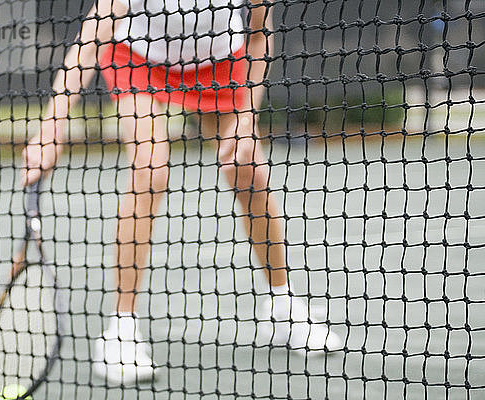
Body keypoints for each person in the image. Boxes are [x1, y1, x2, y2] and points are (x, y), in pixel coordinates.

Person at [22, 0, 342, 385]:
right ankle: (120, 330)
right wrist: (51, 127)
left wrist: (246, 119)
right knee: (150, 168)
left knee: (249, 169)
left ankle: (282, 305)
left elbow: (259, 35)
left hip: (219, 59)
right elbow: (92, 35)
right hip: (138, 58)